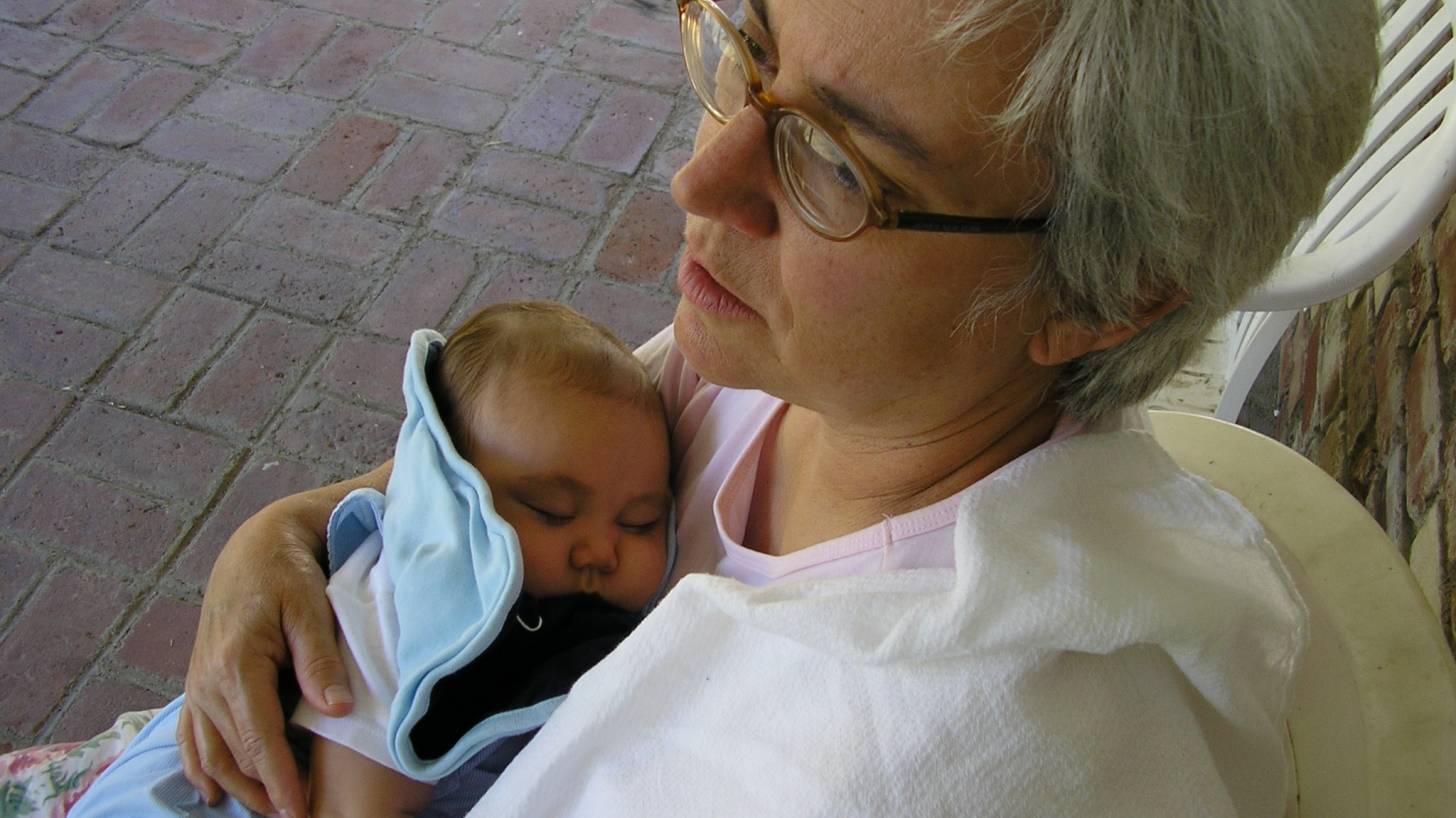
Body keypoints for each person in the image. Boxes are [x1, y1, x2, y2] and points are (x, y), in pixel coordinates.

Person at [156, 0, 1379, 815]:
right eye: (749, 51)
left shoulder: (930, 761)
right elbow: (501, 493)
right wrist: (285, 535)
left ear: (1097, 296)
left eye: (841, 165)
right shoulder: (798, 382)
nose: (702, 176)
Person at [69, 302, 673, 818]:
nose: (601, 550)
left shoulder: (557, 599)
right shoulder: (406, 622)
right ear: (452, 500)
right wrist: (268, 535)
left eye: (640, 521)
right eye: (550, 511)